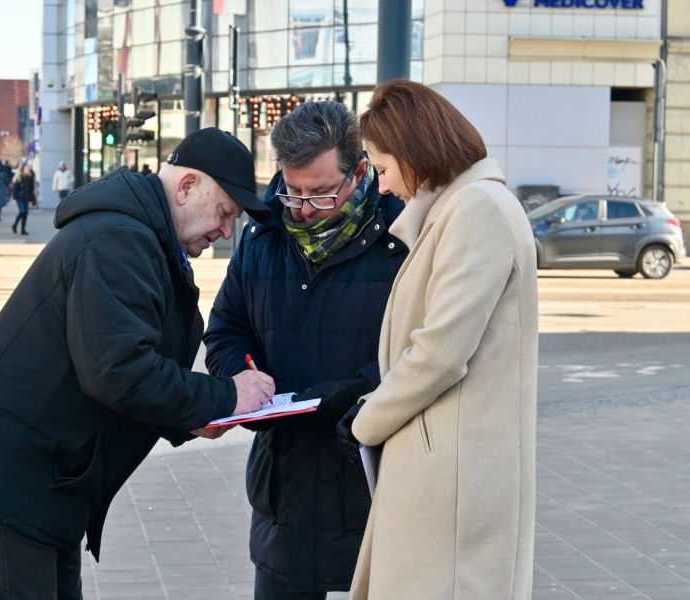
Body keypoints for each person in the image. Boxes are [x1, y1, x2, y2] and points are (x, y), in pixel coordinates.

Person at [0, 128, 277, 600]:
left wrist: (192, 416)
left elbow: (121, 363)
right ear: (187, 187)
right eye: (225, 212)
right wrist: (226, 395)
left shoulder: (139, 235)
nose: (227, 231)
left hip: (48, 475)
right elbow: (119, 372)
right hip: (11, 471)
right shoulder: (119, 238)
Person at [338, 80, 538, 600]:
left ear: (414, 152)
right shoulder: (462, 208)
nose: (382, 186)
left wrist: (367, 420)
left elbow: (441, 352)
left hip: (454, 478)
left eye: (383, 168)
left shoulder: (476, 210)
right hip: (449, 467)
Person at [203, 102, 408, 599]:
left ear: (359, 172)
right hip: (283, 500)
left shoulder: (404, 239)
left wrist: (355, 393)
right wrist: (244, 380)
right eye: (292, 190)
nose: (302, 208)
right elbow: (226, 329)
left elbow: (422, 352)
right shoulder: (261, 236)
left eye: (320, 193)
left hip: (372, 493)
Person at [11, 163, 36, 235]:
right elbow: (15, 189)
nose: (28, 170)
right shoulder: (19, 177)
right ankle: (15, 225)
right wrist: (14, 198)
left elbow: (31, 189)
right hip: (20, 197)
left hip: (27, 197)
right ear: (23, 169)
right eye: (26, 169)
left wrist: (32, 198)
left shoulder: (30, 177)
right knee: (22, 211)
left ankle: (23, 230)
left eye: (28, 168)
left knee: (25, 213)